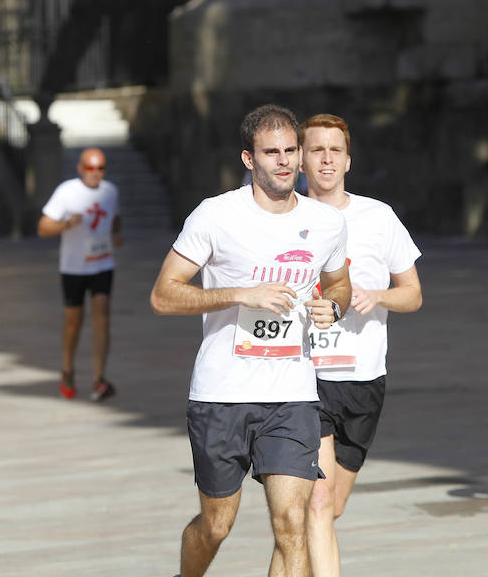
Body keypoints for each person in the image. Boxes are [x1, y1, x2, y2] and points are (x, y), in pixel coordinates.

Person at [150, 104, 351, 577]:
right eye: (270, 152)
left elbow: (338, 282)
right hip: (222, 395)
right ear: (249, 159)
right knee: (216, 525)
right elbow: (163, 295)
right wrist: (242, 293)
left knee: (291, 524)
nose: (282, 161)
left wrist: (334, 305)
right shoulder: (216, 216)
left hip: (292, 395)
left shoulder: (326, 223)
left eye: (289, 151)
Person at [299, 114, 423, 577]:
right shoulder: (287, 219)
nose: (326, 158)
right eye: (316, 150)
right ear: (301, 162)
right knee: (317, 501)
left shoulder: (378, 216)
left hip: (363, 381)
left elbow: (413, 293)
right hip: (305, 380)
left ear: (348, 160)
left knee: (326, 512)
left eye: (335, 150)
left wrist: (378, 296)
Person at [38, 147, 121, 401]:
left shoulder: (110, 191)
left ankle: (99, 378)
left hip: (102, 264)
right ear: (80, 168)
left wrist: (116, 235)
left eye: (100, 168)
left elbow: (116, 219)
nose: (95, 173)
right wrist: (65, 224)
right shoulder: (66, 191)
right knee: (74, 321)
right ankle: (67, 368)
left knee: (102, 317)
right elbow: (43, 227)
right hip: (74, 267)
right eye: (90, 168)